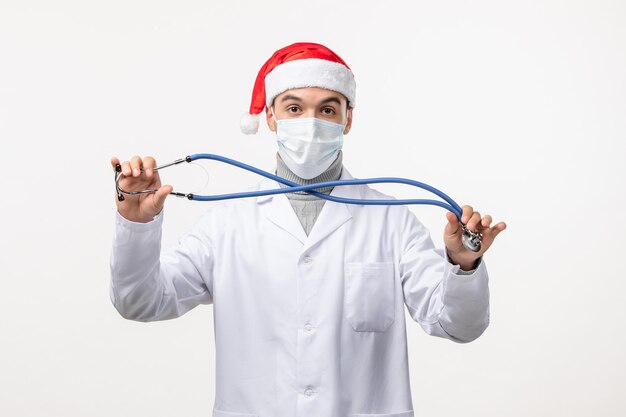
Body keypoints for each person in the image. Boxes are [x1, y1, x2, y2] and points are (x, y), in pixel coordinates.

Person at [109, 42, 506, 417]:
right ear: (270, 117)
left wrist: (463, 263)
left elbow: (459, 325)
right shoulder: (227, 222)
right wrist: (137, 223)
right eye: (294, 108)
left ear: (347, 119)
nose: (311, 123)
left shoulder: (391, 220)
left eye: (328, 110)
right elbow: (140, 301)